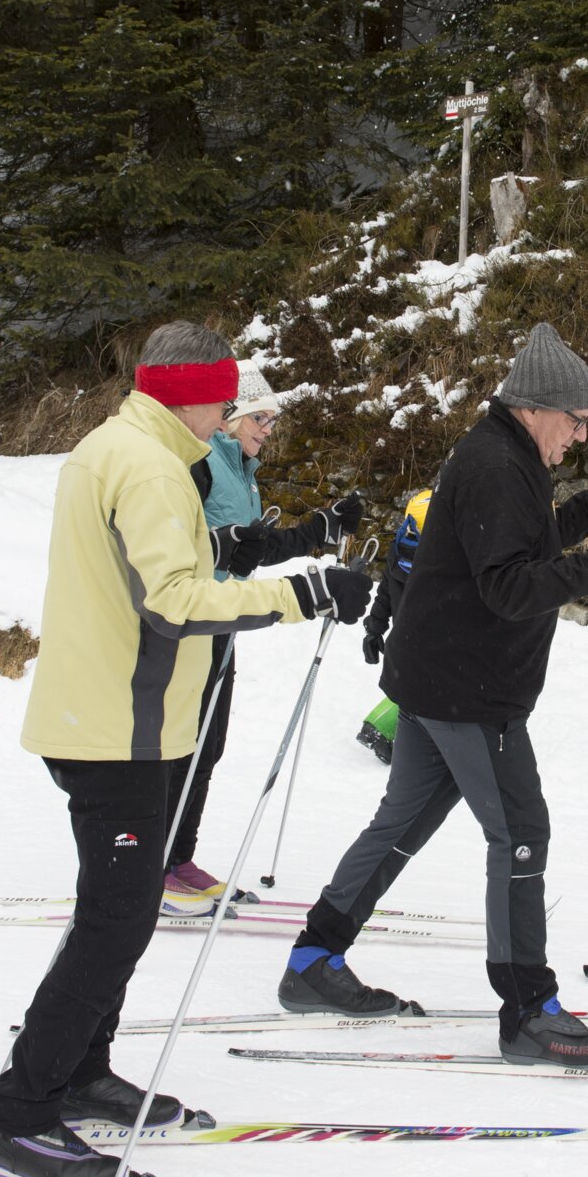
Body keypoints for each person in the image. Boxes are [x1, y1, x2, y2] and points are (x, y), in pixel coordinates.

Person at [0, 322, 373, 1177]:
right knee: (116, 920)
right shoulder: (153, 467)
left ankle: (81, 1071)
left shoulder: (123, 448)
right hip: (117, 727)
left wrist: (261, 549)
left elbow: (164, 556)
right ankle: (21, 1116)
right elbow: (173, 600)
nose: (230, 414)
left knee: (115, 912)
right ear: (189, 394)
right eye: (223, 399)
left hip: (118, 718)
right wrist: (304, 592)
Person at [278, 321, 588, 1067]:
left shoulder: (505, 454)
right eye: (576, 420)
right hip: (468, 690)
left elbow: (518, 545)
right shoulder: (496, 463)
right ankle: (527, 1010)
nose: (581, 435)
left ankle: (313, 960)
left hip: (440, 679)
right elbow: (509, 587)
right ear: (536, 407)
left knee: (402, 821)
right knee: (521, 833)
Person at [163, 361, 363, 898]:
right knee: (184, 745)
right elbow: (195, 545)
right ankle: (157, 863)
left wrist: (318, 529)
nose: (268, 430)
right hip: (191, 622)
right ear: (230, 416)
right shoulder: (201, 464)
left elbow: (252, 549)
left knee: (208, 746)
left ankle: (178, 858)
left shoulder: (241, 473)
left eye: (272, 420)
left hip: (223, 623)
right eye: (260, 418)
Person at [355, 487, 432, 764]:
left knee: (417, 689)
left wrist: (374, 628)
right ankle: (378, 729)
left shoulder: (399, 549)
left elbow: (385, 591)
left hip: (404, 639)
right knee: (422, 691)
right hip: (430, 641)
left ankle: (403, 733)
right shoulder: (438, 561)